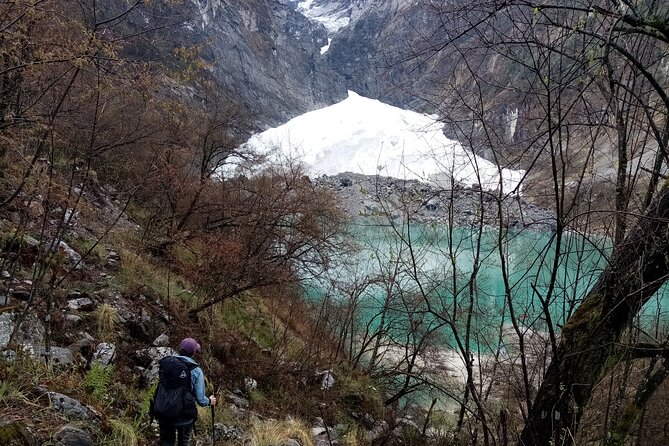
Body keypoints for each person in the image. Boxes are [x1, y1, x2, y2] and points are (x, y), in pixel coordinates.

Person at [157, 337, 217, 446]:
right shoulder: (196, 370)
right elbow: (200, 399)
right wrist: (209, 401)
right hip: (184, 415)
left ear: (180, 349)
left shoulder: (167, 364)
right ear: (194, 353)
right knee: (184, 442)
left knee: (166, 442)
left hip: (164, 411)